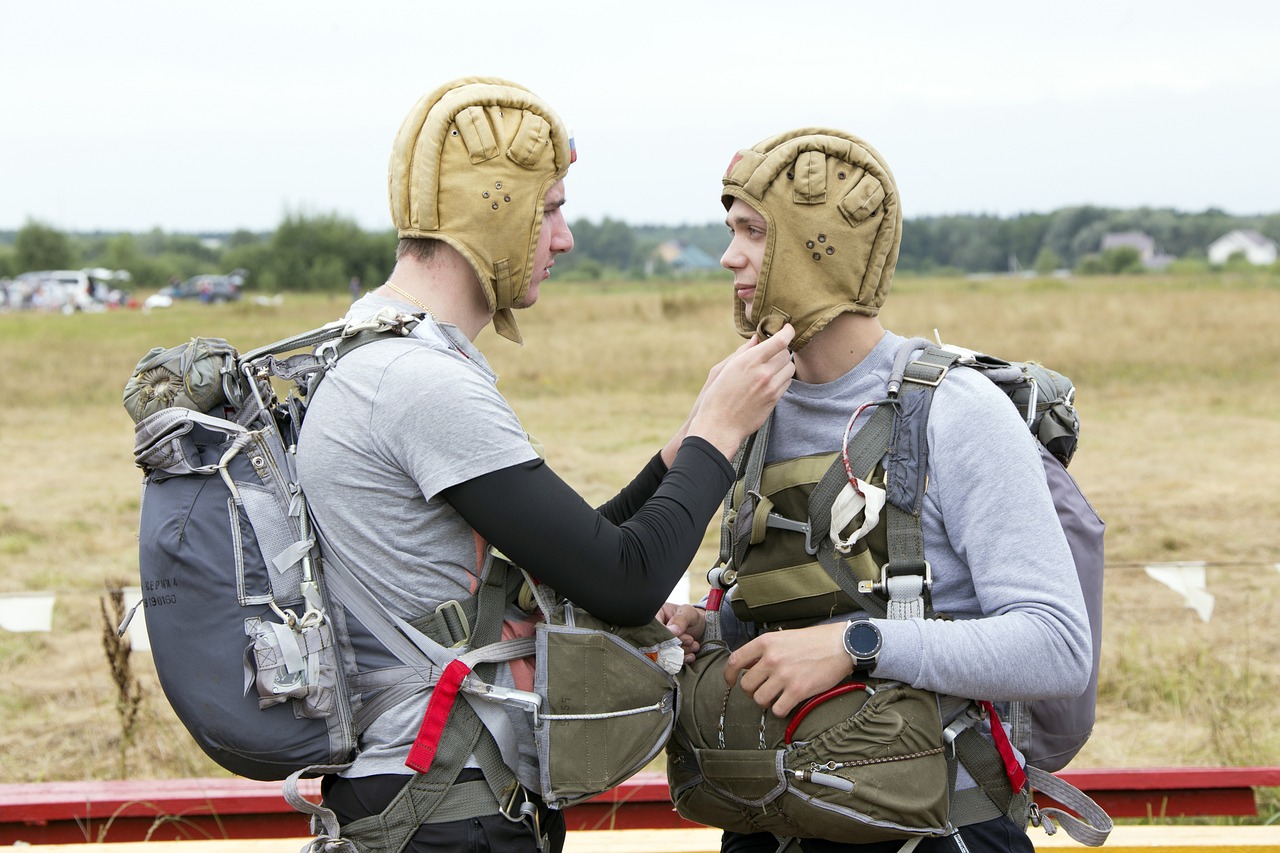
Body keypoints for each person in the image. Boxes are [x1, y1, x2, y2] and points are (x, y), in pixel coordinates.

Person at [295, 77, 795, 853]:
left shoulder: (373, 353)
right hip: (445, 808)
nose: (563, 237)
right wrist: (720, 438)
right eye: (550, 208)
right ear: (494, 211)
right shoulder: (420, 384)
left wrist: (677, 454)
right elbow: (624, 576)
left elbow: (573, 551)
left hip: (418, 795)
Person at [660, 128, 1093, 853]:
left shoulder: (956, 410)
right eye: (730, 230)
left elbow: (1056, 644)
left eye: (753, 232)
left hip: (934, 830)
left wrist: (859, 644)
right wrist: (714, 629)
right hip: (772, 823)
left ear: (818, 243)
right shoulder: (746, 403)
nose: (729, 256)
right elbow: (791, 604)